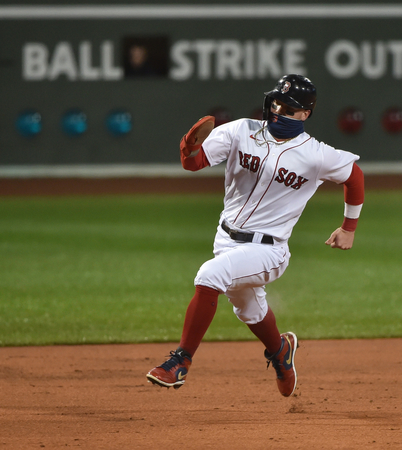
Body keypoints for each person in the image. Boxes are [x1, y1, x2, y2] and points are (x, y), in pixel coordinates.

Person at [146, 74, 365, 397]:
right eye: (276, 103)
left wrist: (349, 228)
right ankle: (280, 351)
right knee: (249, 310)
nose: (278, 111)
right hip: (225, 240)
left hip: (269, 251)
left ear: (305, 114)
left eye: (288, 108)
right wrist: (189, 145)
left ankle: (180, 361)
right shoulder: (240, 131)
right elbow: (192, 163)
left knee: (210, 275)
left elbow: (354, 177)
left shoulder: (316, 154)